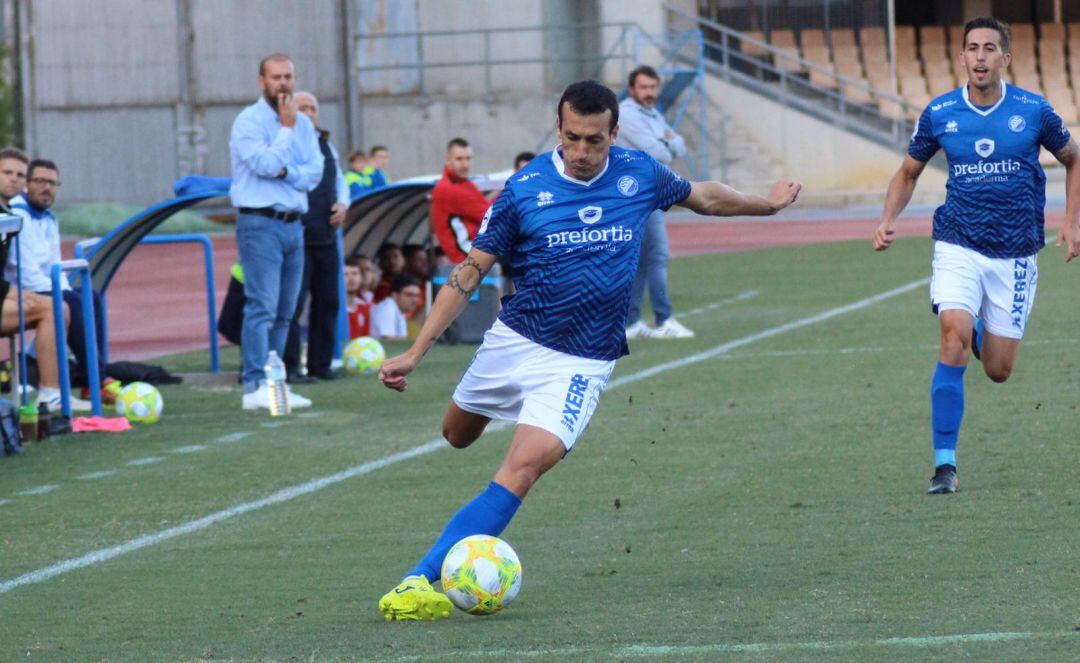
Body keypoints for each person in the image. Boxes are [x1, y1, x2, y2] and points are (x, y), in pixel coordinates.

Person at [375, 79, 800, 620]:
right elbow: (467, 272)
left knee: (523, 467)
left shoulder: (638, 173)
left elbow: (703, 195)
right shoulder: (524, 190)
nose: (580, 152)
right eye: (572, 137)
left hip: (581, 360)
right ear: (559, 128)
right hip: (515, 341)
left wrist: (767, 204)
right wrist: (417, 351)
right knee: (456, 435)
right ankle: (475, 442)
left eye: (593, 140)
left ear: (614, 133)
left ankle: (416, 580)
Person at [873, 16, 1080, 494]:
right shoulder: (940, 112)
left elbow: (1074, 159)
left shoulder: (1033, 110)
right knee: (952, 339)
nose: (980, 56)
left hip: (1016, 251)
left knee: (999, 371)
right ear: (962, 57)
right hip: (957, 242)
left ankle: (984, 331)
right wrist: (888, 218)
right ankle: (945, 465)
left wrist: (1071, 221)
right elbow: (907, 173)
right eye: (972, 47)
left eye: (990, 48)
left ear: (1005, 58)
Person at [229, 52, 323, 410]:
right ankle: (254, 382)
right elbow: (265, 164)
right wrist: (284, 131)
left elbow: (313, 172)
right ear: (261, 82)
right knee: (262, 307)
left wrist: (288, 172)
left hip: (292, 224)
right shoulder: (248, 122)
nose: (283, 83)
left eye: (288, 77)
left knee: (286, 311)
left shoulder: (303, 124)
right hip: (259, 223)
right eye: (276, 77)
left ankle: (275, 382)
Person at [4, 158, 100, 409]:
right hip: (19, 287)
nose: (13, 179)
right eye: (6, 172)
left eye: (51, 182)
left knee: (88, 298)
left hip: (14, 291)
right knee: (58, 306)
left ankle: (89, 381)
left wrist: (63, 290)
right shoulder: (14, 215)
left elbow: (53, 267)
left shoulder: (43, 218)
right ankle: (64, 388)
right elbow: (23, 270)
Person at [617, 65, 695, 340]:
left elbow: (679, 145)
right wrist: (667, 141)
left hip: (649, 192)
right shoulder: (627, 114)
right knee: (658, 256)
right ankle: (664, 319)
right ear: (632, 89)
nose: (649, 93)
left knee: (640, 261)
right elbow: (658, 152)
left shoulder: (651, 113)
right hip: (636, 194)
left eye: (653, 87)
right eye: (644, 87)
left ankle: (631, 323)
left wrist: (667, 142)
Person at [283, 91, 349, 383]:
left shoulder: (325, 144)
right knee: (294, 305)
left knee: (328, 301)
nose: (309, 113)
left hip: (326, 236)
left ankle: (320, 365)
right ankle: (290, 367)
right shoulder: (285, 143)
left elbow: (339, 181)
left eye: (313, 108)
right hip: (298, 235)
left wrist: (343, 204)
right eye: (303, 108)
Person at [430, 138, 492, 264]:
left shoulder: (461, 184)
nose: (465, 164)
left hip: (474, 256)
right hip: (469, 260)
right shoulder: (452, 189)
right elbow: (492, 215)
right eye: (459, 159)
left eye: (468, 159)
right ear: (448, 159)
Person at [370, 274, 421, 341]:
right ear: (394, 294)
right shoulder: (386, 309)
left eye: (417, 296)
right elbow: (387, 339)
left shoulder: (400, 311)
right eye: (409, 295)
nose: (415, 300)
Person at [344, 255, 374, 339]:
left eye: (355, 273)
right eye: (345, 274)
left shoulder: (364, 307)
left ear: (361, 278)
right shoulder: (334, 308)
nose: (351, 278)